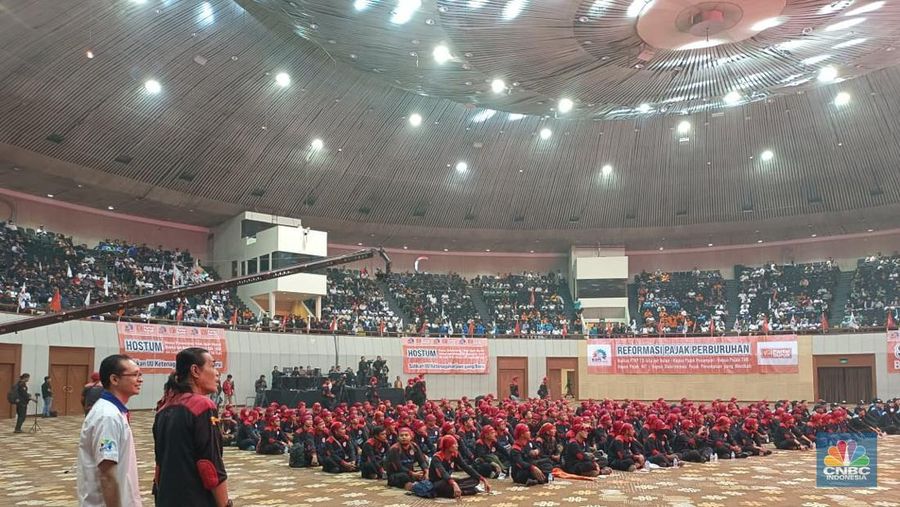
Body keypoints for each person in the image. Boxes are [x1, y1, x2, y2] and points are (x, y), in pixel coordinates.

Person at [153, 348, 231, 507]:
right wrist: (225, 504)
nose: (217, 373)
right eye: (212, 366)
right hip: (195, 498)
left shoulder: (163, 409)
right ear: (195, 370)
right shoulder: (202, 405)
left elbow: (159, 464)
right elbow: (210, 465)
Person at [76, 354, 143, 506]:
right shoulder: (107, 417)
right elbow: (107, 474)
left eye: (140, 374)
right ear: (114, 379)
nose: (140, 379)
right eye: (134, 375)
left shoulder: (114, 411)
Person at [428, 435, 491, 499]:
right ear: (447, 446)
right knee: (446, 485)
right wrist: (454, 483)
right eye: (454, 444)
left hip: (450, 481)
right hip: (438, 483)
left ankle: (461, 490)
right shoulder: (437, 458)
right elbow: (443, 473)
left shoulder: (455, 454)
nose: (457, 446)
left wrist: (482, 479)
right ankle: (466, 491)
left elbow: (466, 467)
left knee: (475, 480)